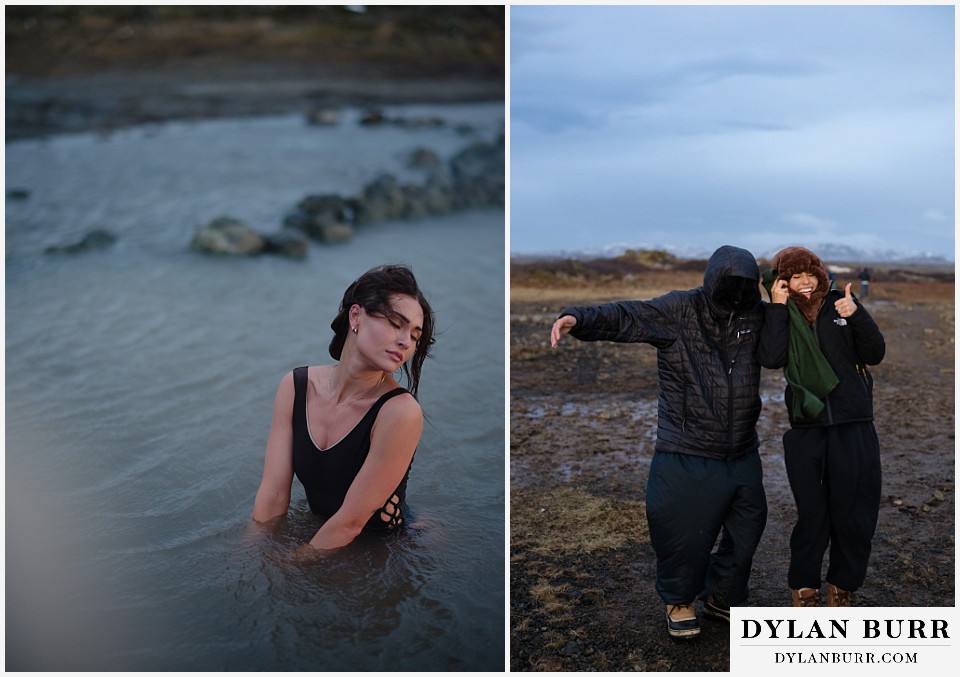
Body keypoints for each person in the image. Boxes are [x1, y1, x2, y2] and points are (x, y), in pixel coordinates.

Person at [550, 245, 767, 640]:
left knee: (748, 531)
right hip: (686, 449)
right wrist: (579, 318)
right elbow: (628, 316)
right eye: (731, 285)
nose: (737, 293)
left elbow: (791, 338)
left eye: (746, 286)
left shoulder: (757, 315)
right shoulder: (679, 310)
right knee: (682, 534)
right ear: (713, 281)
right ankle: (679, 601)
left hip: (742, 450)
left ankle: (722, 597)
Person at [252, 264, 435, 551]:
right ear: (356, 316)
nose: (404, 342)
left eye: (414, 335)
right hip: (325, 535)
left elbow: (350, 523)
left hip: (385, 547)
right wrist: (252, 551)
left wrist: (287, 569)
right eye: (395, 323)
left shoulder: (399, 411)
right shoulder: (296, 385)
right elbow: (273, 493)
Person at [758, 246, 885, 607]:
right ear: (783, 280)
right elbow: (771, 358)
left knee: (854, 513)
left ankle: (842, 585)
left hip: (853, 424)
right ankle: (804, 587)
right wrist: (778, 309)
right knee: (812, 514)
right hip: (807, 428)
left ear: (819, 274)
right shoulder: (781, 311)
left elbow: (874, 353)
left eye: (809, 275)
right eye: (795, 277)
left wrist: (857, 315)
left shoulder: (839, 304)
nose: (805, 283)